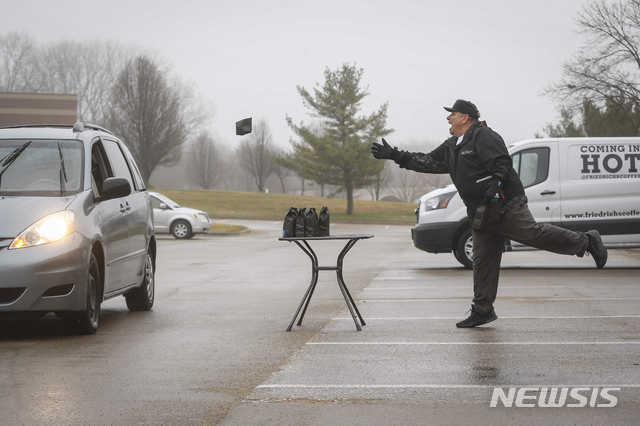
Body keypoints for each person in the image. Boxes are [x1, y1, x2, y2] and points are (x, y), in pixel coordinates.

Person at [371, 99, 608, 328]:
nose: (448, 118)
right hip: (481, 211)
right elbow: (427, 162)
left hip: (504, 205)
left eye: (452, 114)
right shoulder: (452, 146)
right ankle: (482, 310)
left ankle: (587, 241)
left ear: (465, 117)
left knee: (533, 234)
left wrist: (495, 185)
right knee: (483, 259)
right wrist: (395, 155)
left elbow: (502, 163)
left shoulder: (484, 136)